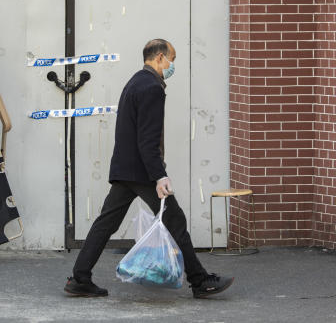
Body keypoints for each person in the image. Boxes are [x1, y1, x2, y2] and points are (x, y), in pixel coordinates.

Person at [64, 39, 234, 298]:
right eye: (171, 59)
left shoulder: (135, 81)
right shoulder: (153, 88)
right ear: (159, 58)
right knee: (174, 219)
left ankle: (79, 278)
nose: (172, 65)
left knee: (105, 223)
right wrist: (159, 175)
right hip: (142, 171)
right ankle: (200, 281)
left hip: (125, 168)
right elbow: (148, 139)